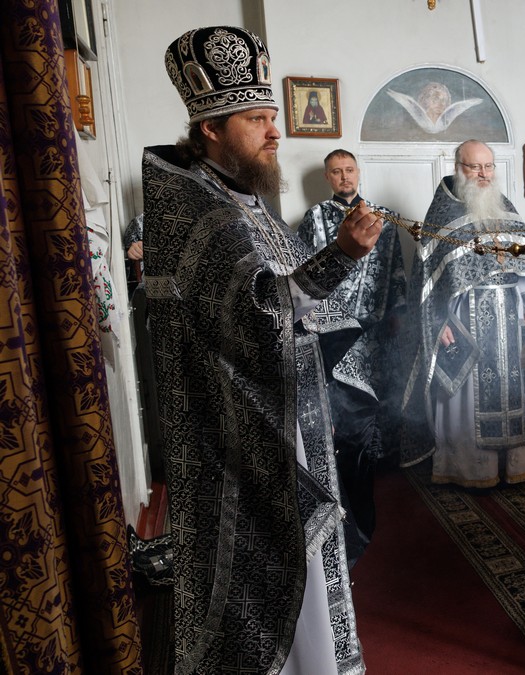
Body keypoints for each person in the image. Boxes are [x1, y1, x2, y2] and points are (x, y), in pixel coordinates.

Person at [142, 26, 380, 673]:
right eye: (257, 119)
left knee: (307, 563)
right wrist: (341, 256)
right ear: (211, 129)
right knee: (269, 566)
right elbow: (259, 310)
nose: (276, 132)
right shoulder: (200, 209)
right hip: (241, 432)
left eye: (274, 117)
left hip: (287, 415)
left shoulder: (242, 199)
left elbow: (291, 298)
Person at [297, 149, 418, 565]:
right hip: (336, 326)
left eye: (349, 170)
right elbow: (307, 266)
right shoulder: (314, 218)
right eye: (336, 171)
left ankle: (381, 458)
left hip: (376, 323)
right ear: (328, 177)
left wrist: (398, 310)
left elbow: (396, 266)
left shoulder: (382, 217)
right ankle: (347, 465)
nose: (344, 177)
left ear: (358, 172)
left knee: (380, 389)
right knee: (346, 399)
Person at [404, 139, 525, 488]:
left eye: (488, 166)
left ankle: (511, 466)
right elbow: (427, 281)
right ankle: (470, 470)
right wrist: (439, 322)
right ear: (458, 168)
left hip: (509, 315)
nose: (483, 174)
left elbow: (523, 269)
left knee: (511, 392)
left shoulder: (505, 208)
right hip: (464, 319)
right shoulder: (443, 214)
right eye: (474, 166)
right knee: (465, 397)